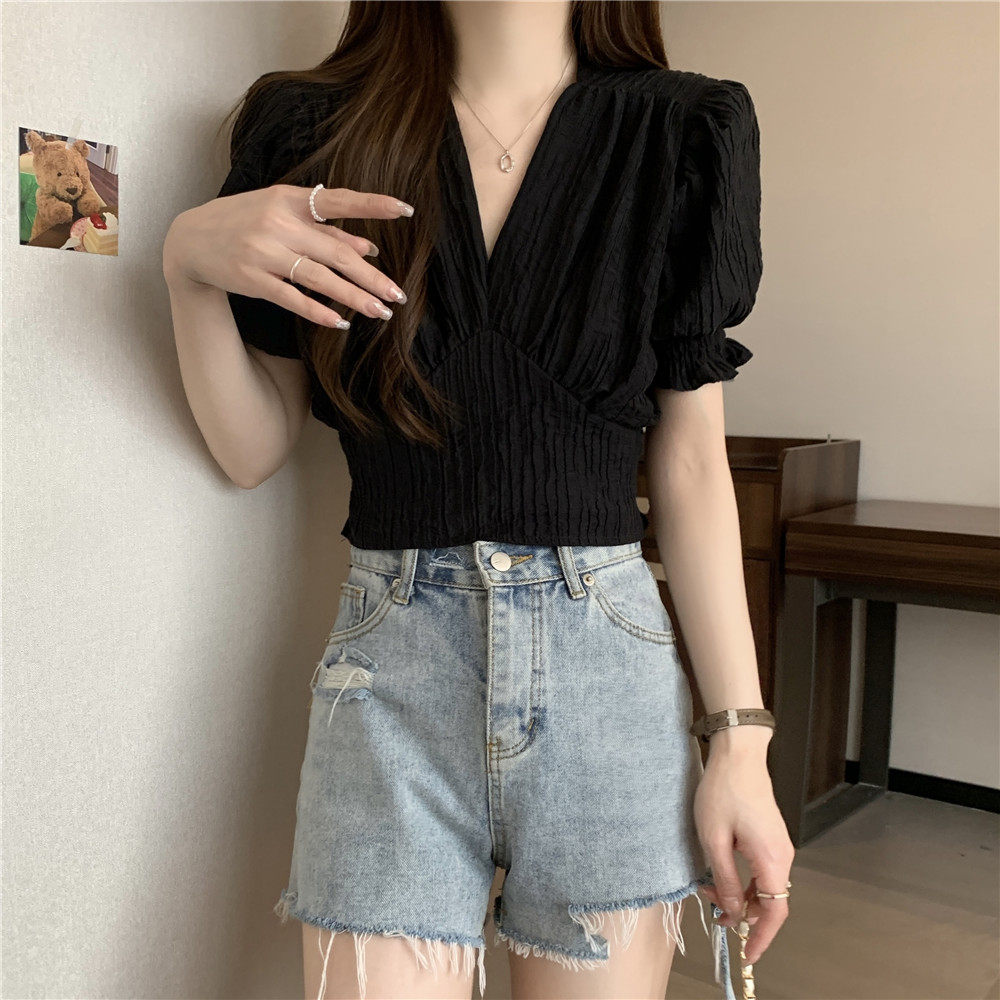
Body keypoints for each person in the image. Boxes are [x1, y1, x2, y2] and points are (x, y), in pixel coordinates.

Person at [162, 2, 794, 998]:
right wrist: (187, 266)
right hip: (391, 681)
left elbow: (691, 468)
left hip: (607, 678)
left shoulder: (682, 130)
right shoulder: (313, 127)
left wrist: (740, 744)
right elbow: (252, 449)